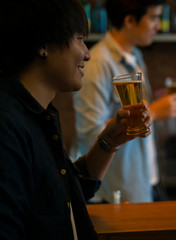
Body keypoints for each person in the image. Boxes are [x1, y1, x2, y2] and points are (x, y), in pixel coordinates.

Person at [0, 0, 151, 239]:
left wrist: (110, 140)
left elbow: (65, 192)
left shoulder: (39, 115)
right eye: (80, 39)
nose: (88, 53)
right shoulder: (8, 125)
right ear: (43, 45)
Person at [73, 0, 176, 203]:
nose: (158, 26)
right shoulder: (97, 63)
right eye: (153, 18)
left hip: (146, 180)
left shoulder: (135, 55)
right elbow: (90, 137)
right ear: (130, 20)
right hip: (116, 190)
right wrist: (155, 112)